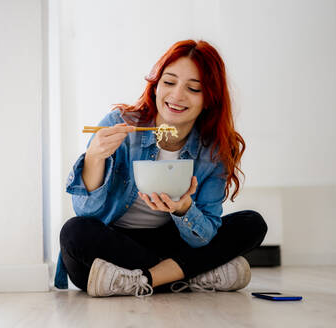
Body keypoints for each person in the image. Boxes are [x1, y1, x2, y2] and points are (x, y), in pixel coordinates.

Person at [54, 39, 267, 297]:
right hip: (116, 241)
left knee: (252, 224)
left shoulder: (214, 150)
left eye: (194, 88)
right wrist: (94, 158)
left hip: (171, 241)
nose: (177, 95)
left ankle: (142, 280)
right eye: (169, 82)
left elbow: (203, 236)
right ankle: (189, 276)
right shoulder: (120, 124)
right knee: (75, 232)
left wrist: (184, 209)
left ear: (209, 99)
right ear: (155, 87)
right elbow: (85, 211)